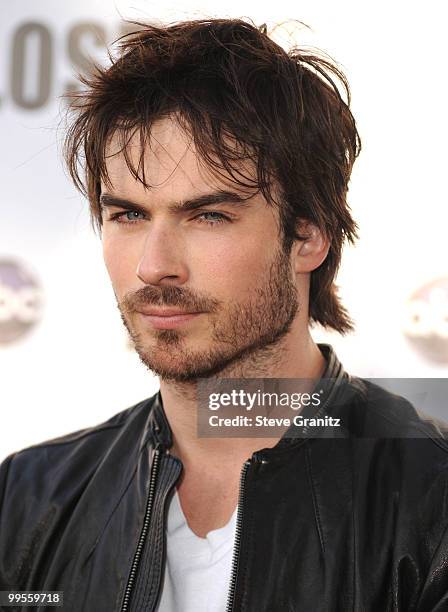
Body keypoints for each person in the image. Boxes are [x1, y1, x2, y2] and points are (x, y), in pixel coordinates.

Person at [1, 18, 448, 612]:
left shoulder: (432, 501)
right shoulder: (29, 499)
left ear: (307, 236)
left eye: (207, 216)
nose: (154, 267)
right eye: (128, 216)